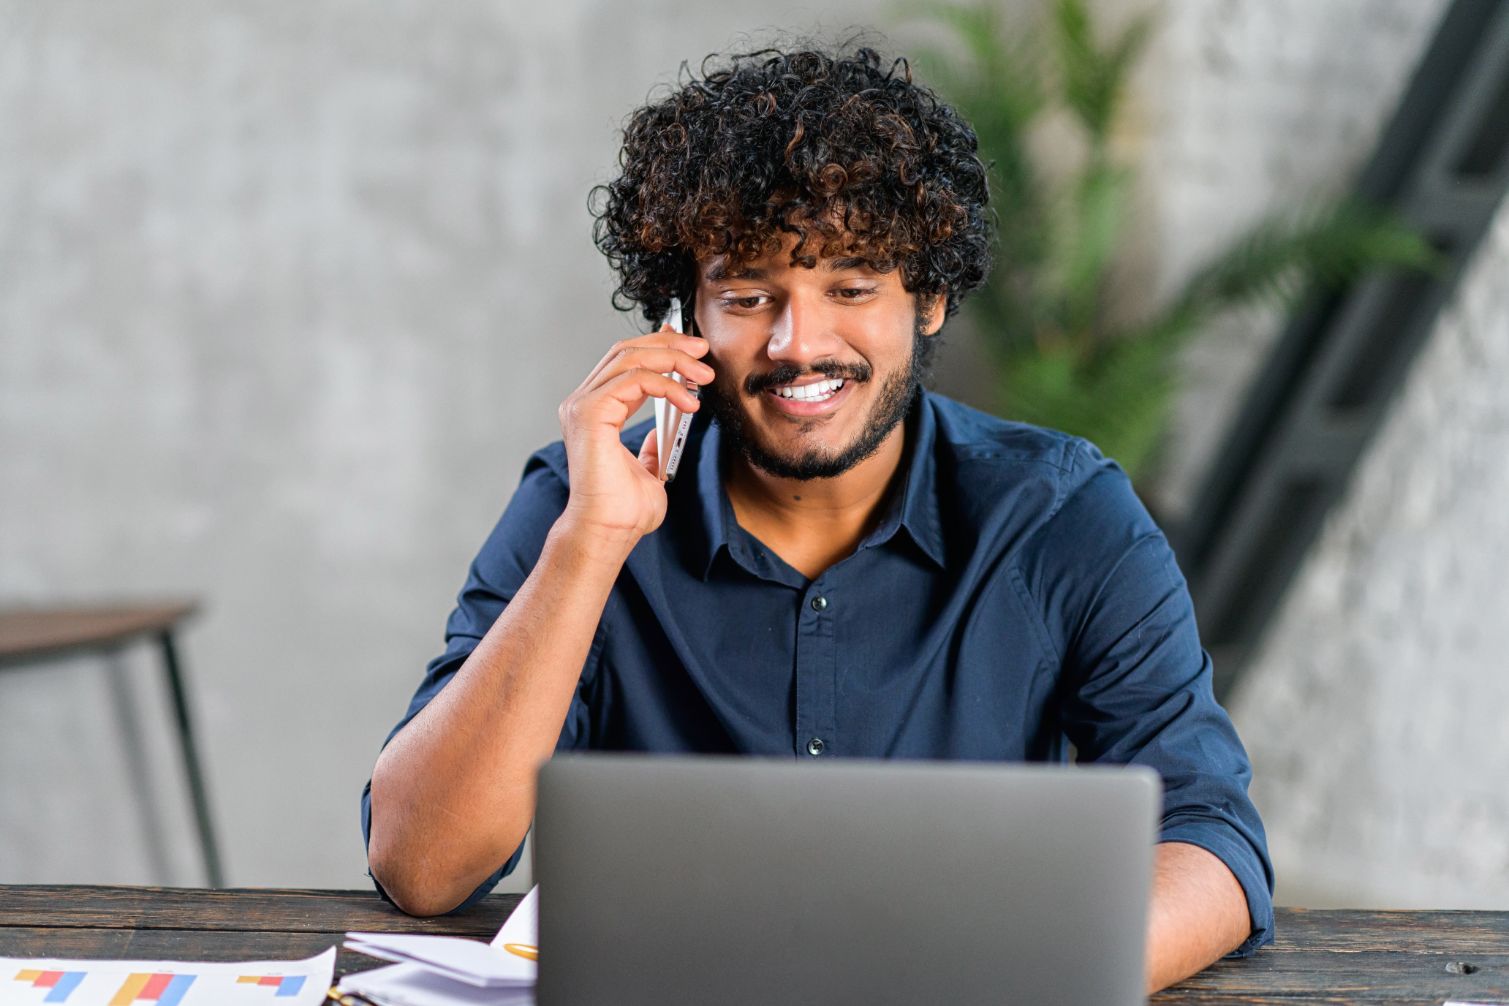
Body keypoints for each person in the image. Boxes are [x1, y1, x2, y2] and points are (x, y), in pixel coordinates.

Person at [362, 44, 1274, 992]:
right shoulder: (575, 503)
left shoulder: (1061, 515)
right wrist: (589, 548)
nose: (801, 346)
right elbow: (422, 867)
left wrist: (1018, 984)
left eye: (851, 287)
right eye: (749, 295)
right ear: (685, 317)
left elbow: (1212, 840)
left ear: (927, 300)